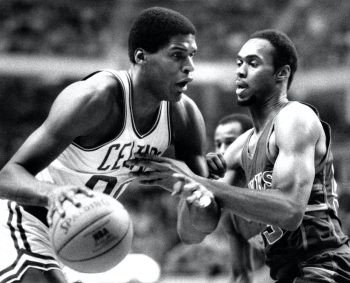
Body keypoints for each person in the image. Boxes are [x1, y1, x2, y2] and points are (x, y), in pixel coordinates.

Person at [0, 7, 220, 283]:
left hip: (82, 236)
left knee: (143, 273)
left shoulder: (184, 117)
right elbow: (8, 177)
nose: (190, 66)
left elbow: (194, 233)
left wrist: (190, 187)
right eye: (177, 55)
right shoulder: (94, 98)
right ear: (141, 57)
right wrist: (53, 195)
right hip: (25, 221)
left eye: (192, 56)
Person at [127, 29, 350, 282]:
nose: (241, 71)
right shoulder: (239, 148)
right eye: (239, 63)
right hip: (288, 274)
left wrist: (199, 181)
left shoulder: (295, 118)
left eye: (253, 63)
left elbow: (290, 211)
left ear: (282, 73)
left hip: (325, 266)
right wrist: (186, 188)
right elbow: (194, 232)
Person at [213, 113, 273, 283]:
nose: (223, 151)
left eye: (230, 142)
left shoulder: (271, 184)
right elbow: (241, 275)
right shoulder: (228, 205)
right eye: (218, 144)